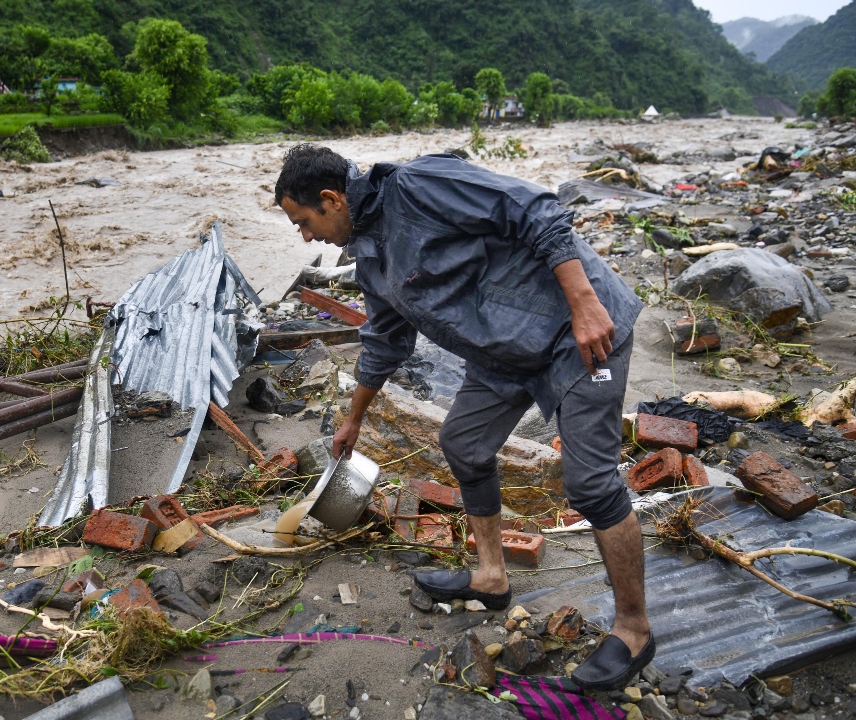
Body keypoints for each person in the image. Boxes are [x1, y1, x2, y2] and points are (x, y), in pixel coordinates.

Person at [273, 144, 652, 691]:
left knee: (590, 484)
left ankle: (634, 630)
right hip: (506, 351)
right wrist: (353, 420)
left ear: (332, 199)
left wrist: (586, 303)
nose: (306, 237)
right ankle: (492, 576)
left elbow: (535, 210)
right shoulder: (370, 252)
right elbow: (384, 338)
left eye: (303, 223)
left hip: (579, 332)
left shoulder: (419, 185)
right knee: (465, 443)